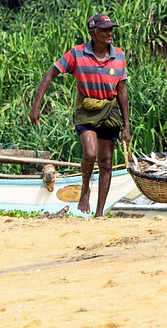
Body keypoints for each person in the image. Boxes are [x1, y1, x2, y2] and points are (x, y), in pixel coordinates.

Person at [29, 14, 131, 218]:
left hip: (109, 109)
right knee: (91, 153)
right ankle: (85, 188)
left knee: (106, 161)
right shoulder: (77, 54)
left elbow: (122, 91)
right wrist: (36, 104)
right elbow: (51, 73)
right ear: (92, 33)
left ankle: (99, 213)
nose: (110, 33)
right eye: (104, 30)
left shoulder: (118, 56)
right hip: (86, 108)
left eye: (111, 29)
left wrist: (126, 125)